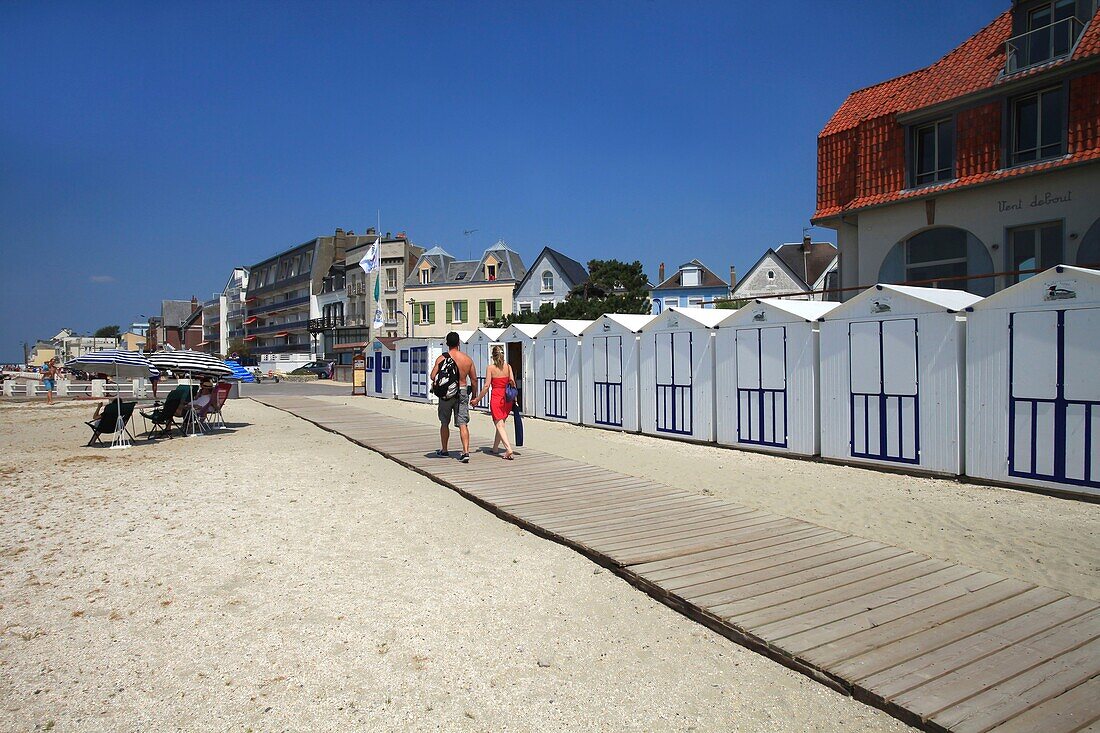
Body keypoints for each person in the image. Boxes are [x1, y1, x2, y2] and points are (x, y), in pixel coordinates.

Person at [430, 331, 476, 463]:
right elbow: (474, 380)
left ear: (447, 344)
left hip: (446, 394)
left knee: (444, 422)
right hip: (462, 392)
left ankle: (444, 450)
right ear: (458, 343)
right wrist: (474, 396)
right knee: (463, 423)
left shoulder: (441, 358)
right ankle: (466, 452)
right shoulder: (466, 359)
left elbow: (433, 376)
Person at [473, 345, 517, 460]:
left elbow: (487, 386)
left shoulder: (490, 368)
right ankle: (495, 448)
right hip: (507, 398)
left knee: (499, 424)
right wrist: (515, 399)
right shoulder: (508, 367)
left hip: (496, 397)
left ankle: (508, 449)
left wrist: (478, 399)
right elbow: (512, 382)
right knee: (501, 423)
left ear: (493, 356)